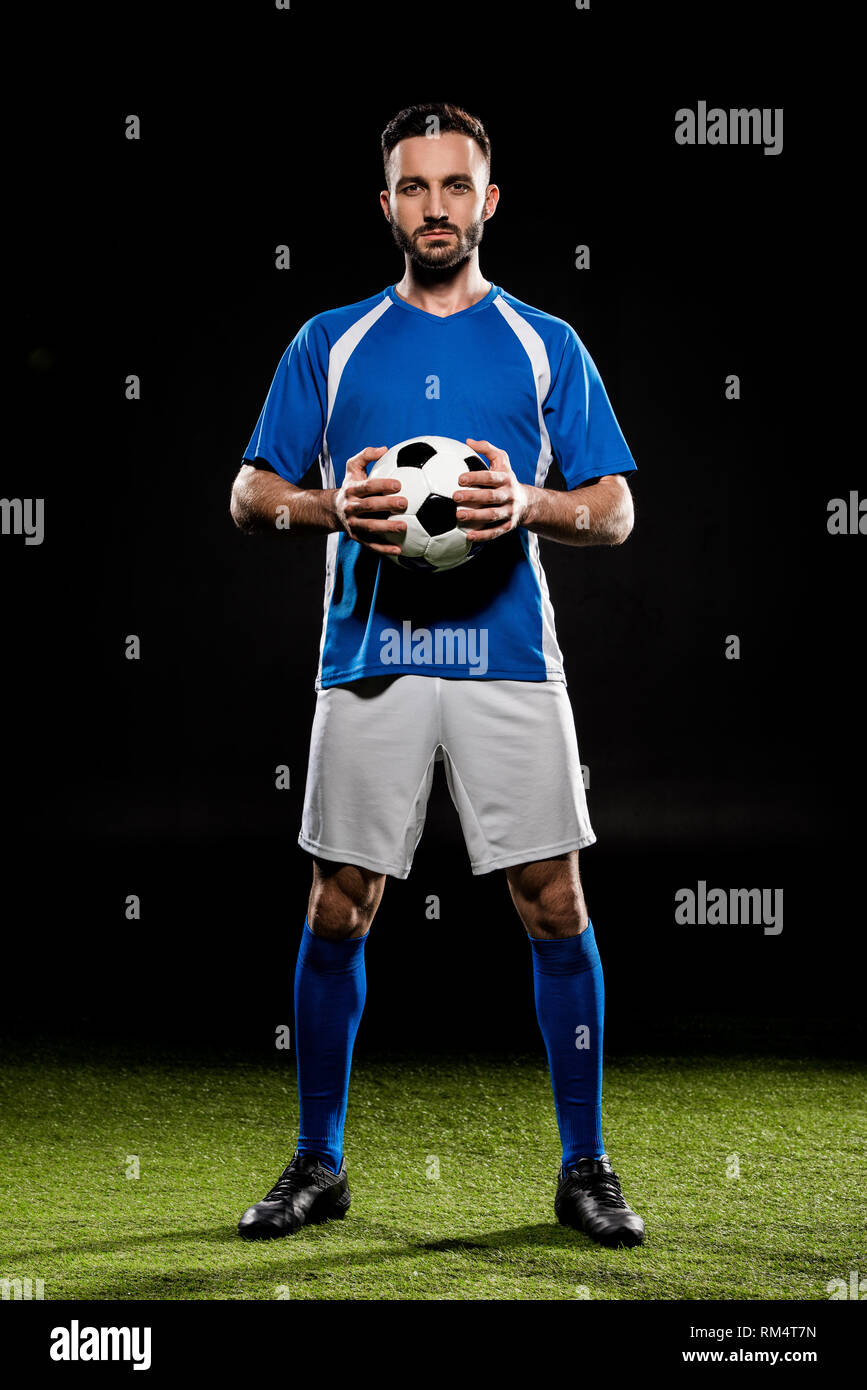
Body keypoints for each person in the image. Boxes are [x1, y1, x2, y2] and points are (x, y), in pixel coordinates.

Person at [229, 102, 644, 1248]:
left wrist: (530, 505)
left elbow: (612, 509)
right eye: (414, 189)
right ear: (387, 206)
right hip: (370, 660)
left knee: (554, 902)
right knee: (337, 905)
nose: (436, 208)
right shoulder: (331, 341)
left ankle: (585, 1167)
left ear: (489, 201)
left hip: (507, 655)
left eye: (456, 186)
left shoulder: (544, 341)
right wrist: (325, 506)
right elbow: (250, 492)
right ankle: (319, 1162)